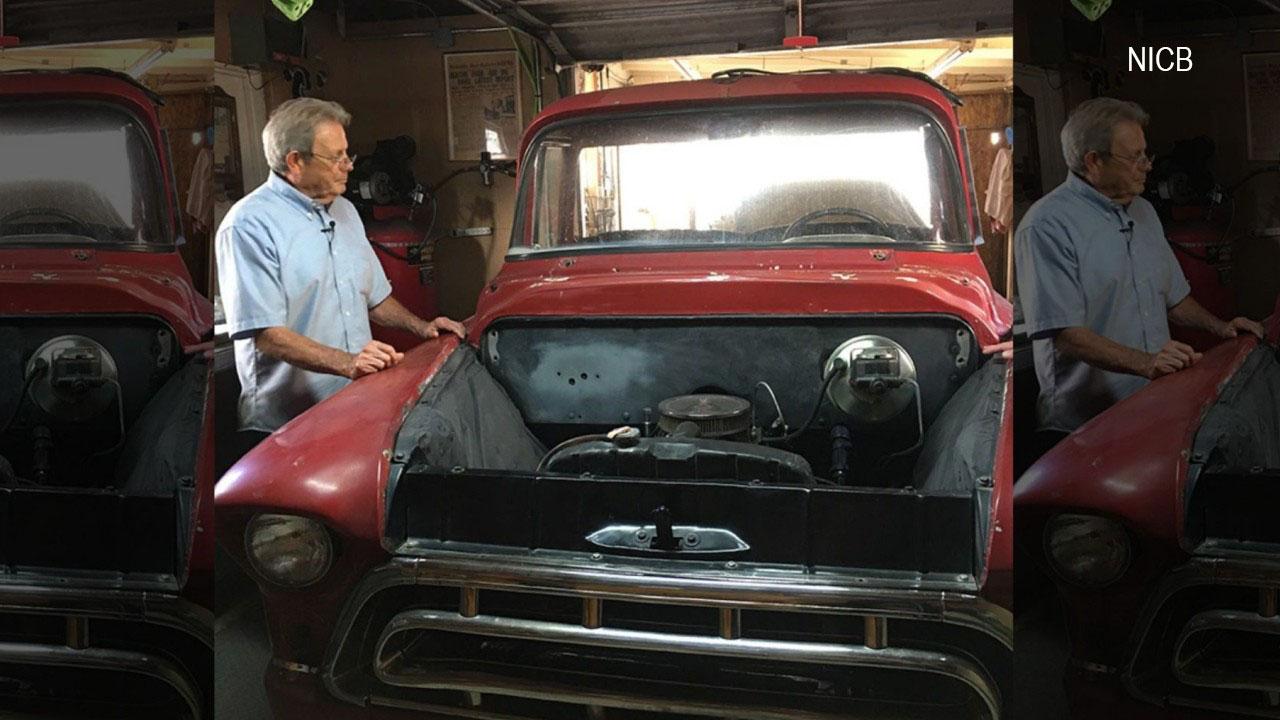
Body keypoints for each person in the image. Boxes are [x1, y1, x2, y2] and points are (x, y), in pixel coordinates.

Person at [1015, 97, 1264, 440]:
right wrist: (1146, 363)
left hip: (1153, 402)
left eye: (1146, 154)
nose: (1147, 166)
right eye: (1135, 157)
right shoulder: (1046, 226)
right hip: (1086, 425)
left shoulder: (1144, 212)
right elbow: (1067, 336)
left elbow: (1175, 300)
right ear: (1093, 161)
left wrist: (1221, 328)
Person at [217, 98, 465, 433]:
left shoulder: (346, 211)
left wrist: (421, 328)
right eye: (336, 157)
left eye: (348, 154)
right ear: (295, 162)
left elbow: (374, 298)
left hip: (353, 403)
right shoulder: (249, 225)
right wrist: (348, 363)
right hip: (285, 426)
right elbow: (266, 334)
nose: (348, 166)